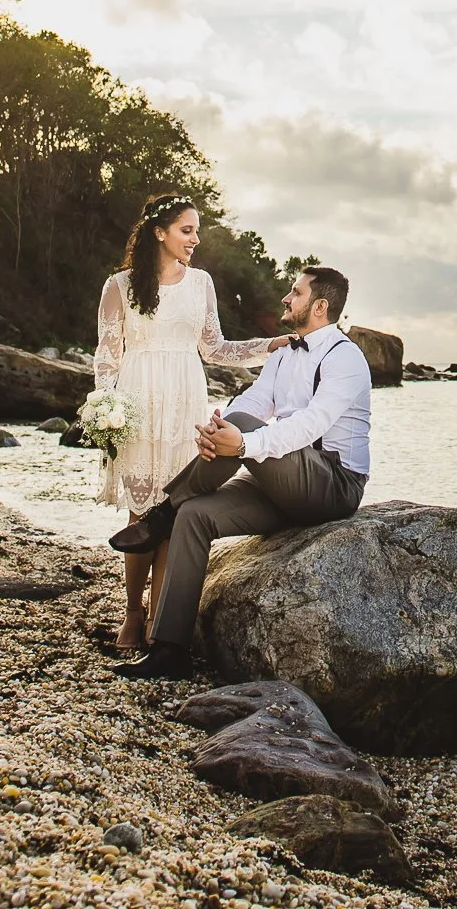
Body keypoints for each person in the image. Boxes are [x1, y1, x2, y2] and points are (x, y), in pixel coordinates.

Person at [110, 265, 371, 680]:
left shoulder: (346, 357)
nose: (286, 298)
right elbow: (254, 401)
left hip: (332, 483)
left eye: (295, 292)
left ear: (320, 306)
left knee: (244, 430)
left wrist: (244, 443)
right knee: (196, 515)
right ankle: (169, 650)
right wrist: (219, 430)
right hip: (283, 481)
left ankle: (162, 512)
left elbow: (311, 425)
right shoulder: (284, 352)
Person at [93, 194, 283, 654]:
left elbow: (215, 348)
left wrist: (268, 346)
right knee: (142, 511)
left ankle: (159, 620)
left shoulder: (201, 283)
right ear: (160, 232)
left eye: (197, 231)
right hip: (137, 403)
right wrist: (106, 409)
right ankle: (132, 614)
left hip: (185, 401)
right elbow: (106, 358)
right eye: (187, 230)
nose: (195, 239)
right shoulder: (119, 285)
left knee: (174, 511)